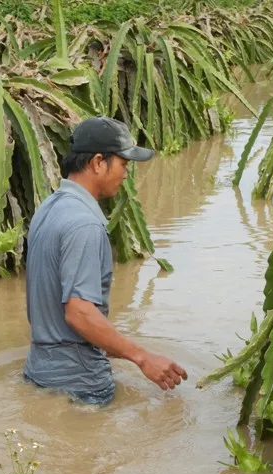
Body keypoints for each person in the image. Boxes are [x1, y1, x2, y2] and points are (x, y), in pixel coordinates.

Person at [23, 116, 187, 405]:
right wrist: (143, 358)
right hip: (82, 384)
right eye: (123, 164)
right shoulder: (85, 224)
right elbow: (79, 313)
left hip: (38, 373)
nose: (126, 175)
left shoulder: (48, 208)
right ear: (98, 162)